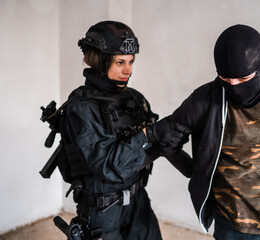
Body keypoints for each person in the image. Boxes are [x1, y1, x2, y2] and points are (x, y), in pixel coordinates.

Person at [164, 24, 260, 239]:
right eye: (225, 79)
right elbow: (165, 138)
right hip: (231, 226)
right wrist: (195, 172)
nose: (233, 85)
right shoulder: (205, 99)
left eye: (243, 79)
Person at [58, 21, 191, 240]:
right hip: (102, 211)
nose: (128, 70)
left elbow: (159, 144)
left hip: (138, 200)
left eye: (131, 62)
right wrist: (150, 134)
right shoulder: (80, 108)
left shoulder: (134, 98)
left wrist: (195, 170)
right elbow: (108, 166)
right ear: (99, 61)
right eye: (120, 62)